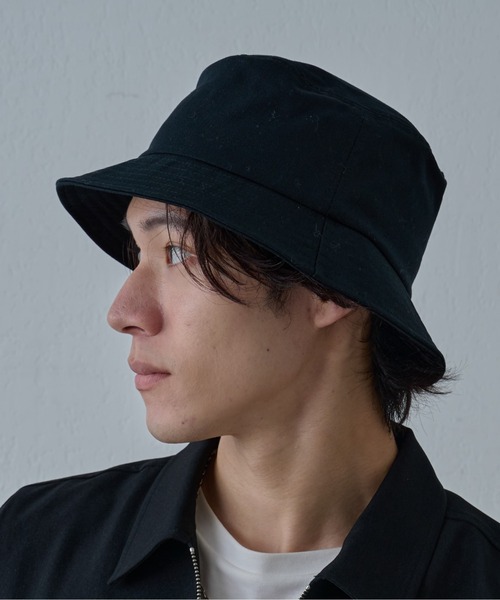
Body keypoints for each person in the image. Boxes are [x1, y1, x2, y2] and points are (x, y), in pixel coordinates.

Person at [1, 54, 499, 599]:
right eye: (137, 253)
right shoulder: (35, 546)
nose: (124, 313)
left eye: (177, 252)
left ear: (330, 290)